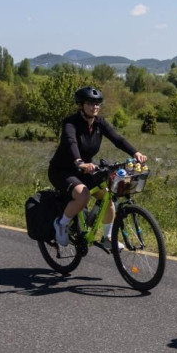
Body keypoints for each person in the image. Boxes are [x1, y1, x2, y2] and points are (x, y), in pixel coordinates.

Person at [48, 86, 147, 248]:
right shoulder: (70, 123)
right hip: (62, 170)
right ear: (81, 105)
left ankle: (107, 238)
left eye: (97, 103)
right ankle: (61, 223)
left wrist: (135, 153)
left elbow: (118, 140)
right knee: (83, 195)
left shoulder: (100, 123)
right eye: (90, 103)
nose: (95, 106)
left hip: (86, 169)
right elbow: (71, 142)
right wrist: (79, 162)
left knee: (107, 196)